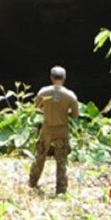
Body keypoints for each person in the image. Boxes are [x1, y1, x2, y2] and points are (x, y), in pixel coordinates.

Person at [29, 65, 79, 194]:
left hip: (47, 129)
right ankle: (61, 189)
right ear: (64, 79)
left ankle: (33, 181)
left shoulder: (43, 92)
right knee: (61, 160)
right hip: (62, 131)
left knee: (40, 156)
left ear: (51, 78)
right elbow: (75, 115)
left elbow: (37, 108)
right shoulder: (70, 96)